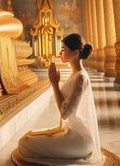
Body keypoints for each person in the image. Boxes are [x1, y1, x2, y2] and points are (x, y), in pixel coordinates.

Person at [16, 33, 104, 165]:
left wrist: (55, 84)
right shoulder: (75, 74)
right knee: (27, 138)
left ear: (75, 53)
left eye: (63, 49)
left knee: (24, 144)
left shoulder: (81, 77)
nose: (60, 52)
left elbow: (65, 113)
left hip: (79, 140)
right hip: (70, 132)